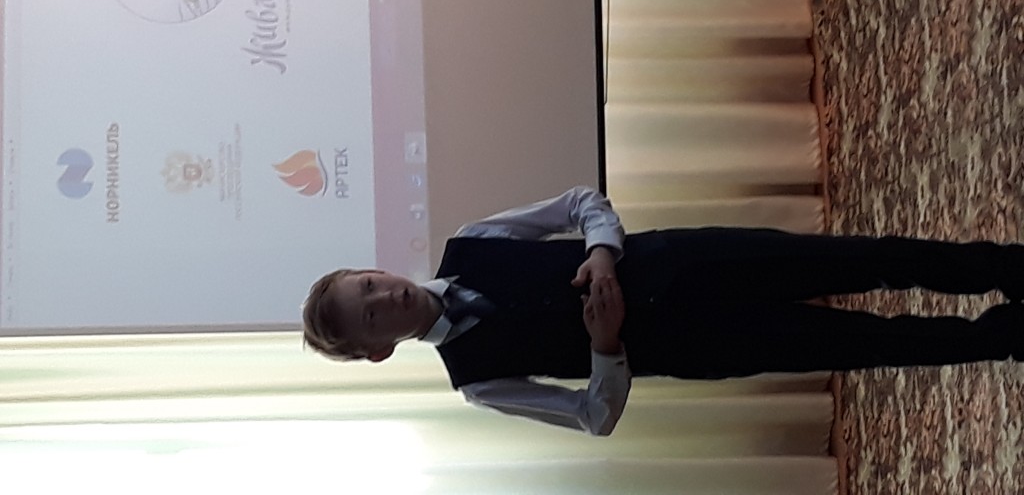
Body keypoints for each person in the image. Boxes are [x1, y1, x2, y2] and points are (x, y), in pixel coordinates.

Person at [302, 186, 1024, 435]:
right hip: (702, 343)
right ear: (379, 351)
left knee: (863, 259)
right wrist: (605, 347)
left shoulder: (473, 243)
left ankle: (1003, 267)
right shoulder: (479, 381)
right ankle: (1006, 335)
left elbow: (580, 203)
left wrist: (602, 252)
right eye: (371, 317)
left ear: (373, 268)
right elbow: (594, 417)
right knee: (865, 343)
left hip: (693, 258)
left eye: (368, 285)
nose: (385, 297)